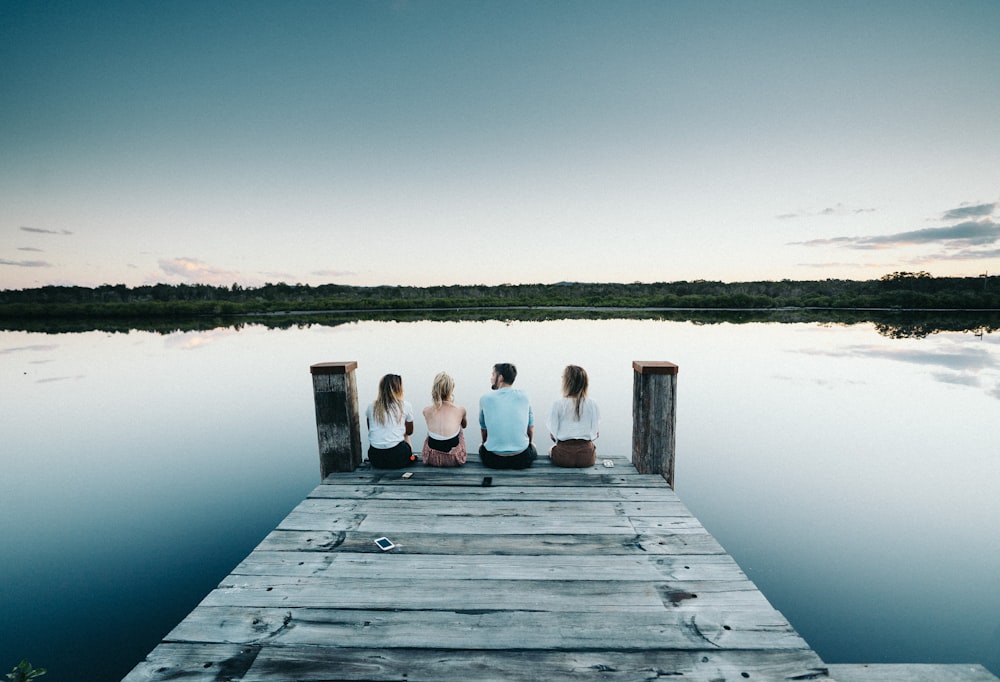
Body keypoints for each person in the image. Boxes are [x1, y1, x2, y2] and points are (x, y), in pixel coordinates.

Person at [478, 362, 537, 469]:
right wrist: (529, 444)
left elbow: (484, 430)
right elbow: (531, 428)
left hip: (493, 460)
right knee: (533, 448)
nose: (491, 378)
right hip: (522, 459)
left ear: (500, 378)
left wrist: (485, 444)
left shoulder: (485, 399)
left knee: (481, 447)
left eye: (493, 375)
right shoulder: (524, 396)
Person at [547, 365, 600, 467]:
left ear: (566, 383)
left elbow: (553, 435)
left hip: (563, 457)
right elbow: (596, 434)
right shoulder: (592, 404)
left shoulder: (558, 404)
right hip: (586, 458)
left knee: (550, 449)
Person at [365, 373, 415, 469]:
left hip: (375, 458)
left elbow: (371, 430)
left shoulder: (371, 407)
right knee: (404, 435)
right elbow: (409, 432)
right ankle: (410, 457)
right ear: (398, 389)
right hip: (397, 458)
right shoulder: (405, 405)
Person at [421, 371, 468, 467]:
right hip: (454, 458)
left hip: (432, 458)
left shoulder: (426, 410)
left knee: (431, 431)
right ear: (451, 389)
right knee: (459, 427)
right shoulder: (460, 410)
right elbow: (465, 425)